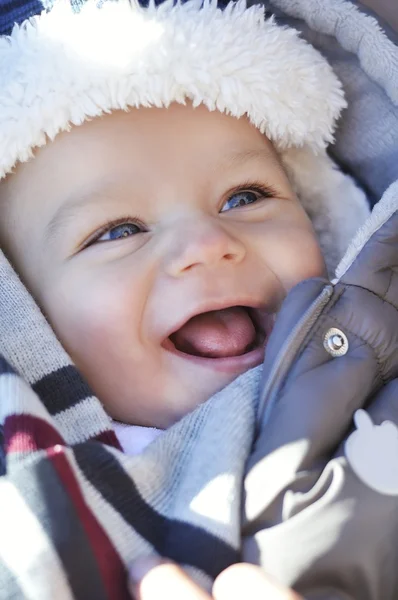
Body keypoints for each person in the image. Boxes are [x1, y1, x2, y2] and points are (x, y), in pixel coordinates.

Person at [0, 1, 397, 599]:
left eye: (245, 196)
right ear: (26, 322)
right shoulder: (34, 517)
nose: (209, 245)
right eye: (118, 231)